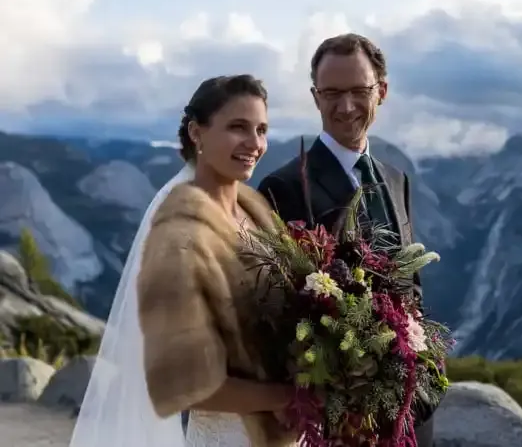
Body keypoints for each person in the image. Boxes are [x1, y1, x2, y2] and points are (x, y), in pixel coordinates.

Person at [69, 75, 297, 447]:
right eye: (238, 127)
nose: (255, 144)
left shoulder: (255, 212)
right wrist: (287, 396)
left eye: (262, 129)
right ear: (196, 132)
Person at [257, 33, 438, 447]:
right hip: (338, 422)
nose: (346, 107)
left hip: (412, 412)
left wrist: (424, 383)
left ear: (383, 91)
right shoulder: (280, 188)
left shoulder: (396, 178)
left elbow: (412, 288)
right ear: (315, 96)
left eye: (359, 91)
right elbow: (271, 313)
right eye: (332, 93)